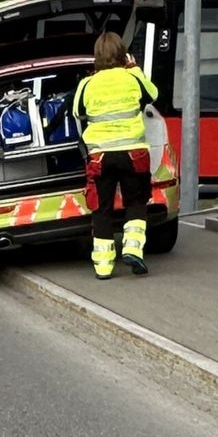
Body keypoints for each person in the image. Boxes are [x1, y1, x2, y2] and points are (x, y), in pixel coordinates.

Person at [72, 32, 159, 280]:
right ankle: (133, 249)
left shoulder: (87, 84)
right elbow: (153, 95)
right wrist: (136, 69)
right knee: (136, 201)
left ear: (97, 56)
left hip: (100, 155)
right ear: (123, 54)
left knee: (102, 208)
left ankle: (103, 265)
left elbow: (77, 113)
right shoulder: (132, 76)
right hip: (133, 152)